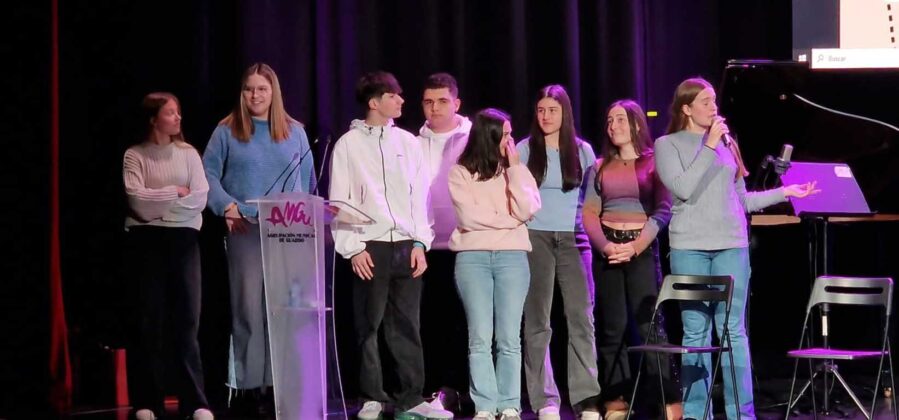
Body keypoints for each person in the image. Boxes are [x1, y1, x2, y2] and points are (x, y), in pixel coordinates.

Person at [654, 77, 819, 419]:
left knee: (732, 329)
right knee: (696, 330)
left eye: (714, 101)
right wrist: (709, 148)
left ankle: (742, 414)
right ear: (686, 108)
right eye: (705, 102)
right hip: (690, 247)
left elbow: (742, 199)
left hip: (732, 244)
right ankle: (697, 413)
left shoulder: (729, 143)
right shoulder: (667, 144)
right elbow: (682, 188)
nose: (714, 108)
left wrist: (786, 193)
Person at [329, 71, 453, 420]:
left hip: (405, 244)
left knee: (407, 324)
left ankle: (411, 398)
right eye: (394, 95)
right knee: (369, 323)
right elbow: (340, 200)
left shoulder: (408, 142)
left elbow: (420, 197)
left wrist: (420, 241)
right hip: (370, 244)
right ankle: (371, 395)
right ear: (375, 102)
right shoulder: (348, 145)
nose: (402, 101)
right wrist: (352, 247)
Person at [203, 63, 315, 415]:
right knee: (248, 310)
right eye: (249, 89)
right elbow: (206, 175)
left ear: (273, 92)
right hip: (246, 230)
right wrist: (226, 207)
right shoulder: (226, 131)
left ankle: (281, 384)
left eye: (262, 89)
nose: (255, 95)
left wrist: (311, 216)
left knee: (285, 311)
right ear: (242, 92)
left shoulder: (295, 132)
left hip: (288, 231)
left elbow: (308, 184)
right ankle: (250, 386)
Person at [582, 99, 680, 419]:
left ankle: (665, 399)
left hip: (640, 250)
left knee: (649, 325)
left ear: (636, 123)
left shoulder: (653, 163)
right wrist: (606, 247)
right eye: (609, 121)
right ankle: (616, 399)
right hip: (608, 252)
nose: (613, 126)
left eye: (620, 120)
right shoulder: (598, 167)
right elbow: (589, 212)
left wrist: (635, 246)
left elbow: (663, 211)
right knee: (612, 328)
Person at [123, 92, 213, 420]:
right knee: (150, 321)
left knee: (187, 321)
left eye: (178, 112)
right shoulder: (135, 155)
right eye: (170, 113)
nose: (178, 118)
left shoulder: (188, 154)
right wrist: (175, 193)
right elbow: (137, 202)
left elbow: (200, 198)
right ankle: (147, 401)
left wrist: (160, 207)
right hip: (146, 242)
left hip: (184, 240)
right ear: (153, 119)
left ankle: (196, 402)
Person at [449, 108, 542, 420]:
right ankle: (485, 405)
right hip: (472, 259)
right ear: (489, 137)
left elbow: (530, 207)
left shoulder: (513, 169)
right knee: (479, 336)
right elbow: (468, 218)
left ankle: (509, 403)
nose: (510, 140)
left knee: (508, 337)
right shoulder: (460, 172)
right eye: (505, 134)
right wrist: (510, 220)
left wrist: (515, 170)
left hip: (512, 259)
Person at [516, 85, 602, 420]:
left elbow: (594, 199)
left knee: (581, 318)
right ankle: (545, 400)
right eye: (540, 110)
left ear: (564, 113)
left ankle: (586, 399)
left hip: (574, 238)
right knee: (538, 320)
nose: (546, 116)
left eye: (552, 110)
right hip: (535, 237)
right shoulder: (524, 150)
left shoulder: (582, 150)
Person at [417, 72, 473, 407]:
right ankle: (433, 389)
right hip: (425, 246)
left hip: (464, 243)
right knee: (430, 319)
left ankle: (462, 389)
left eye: (441, 101)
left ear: (456, 103)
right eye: (428, 101)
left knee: (463, 319)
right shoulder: (412, 141)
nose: (434, 108)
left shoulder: (471, 138)